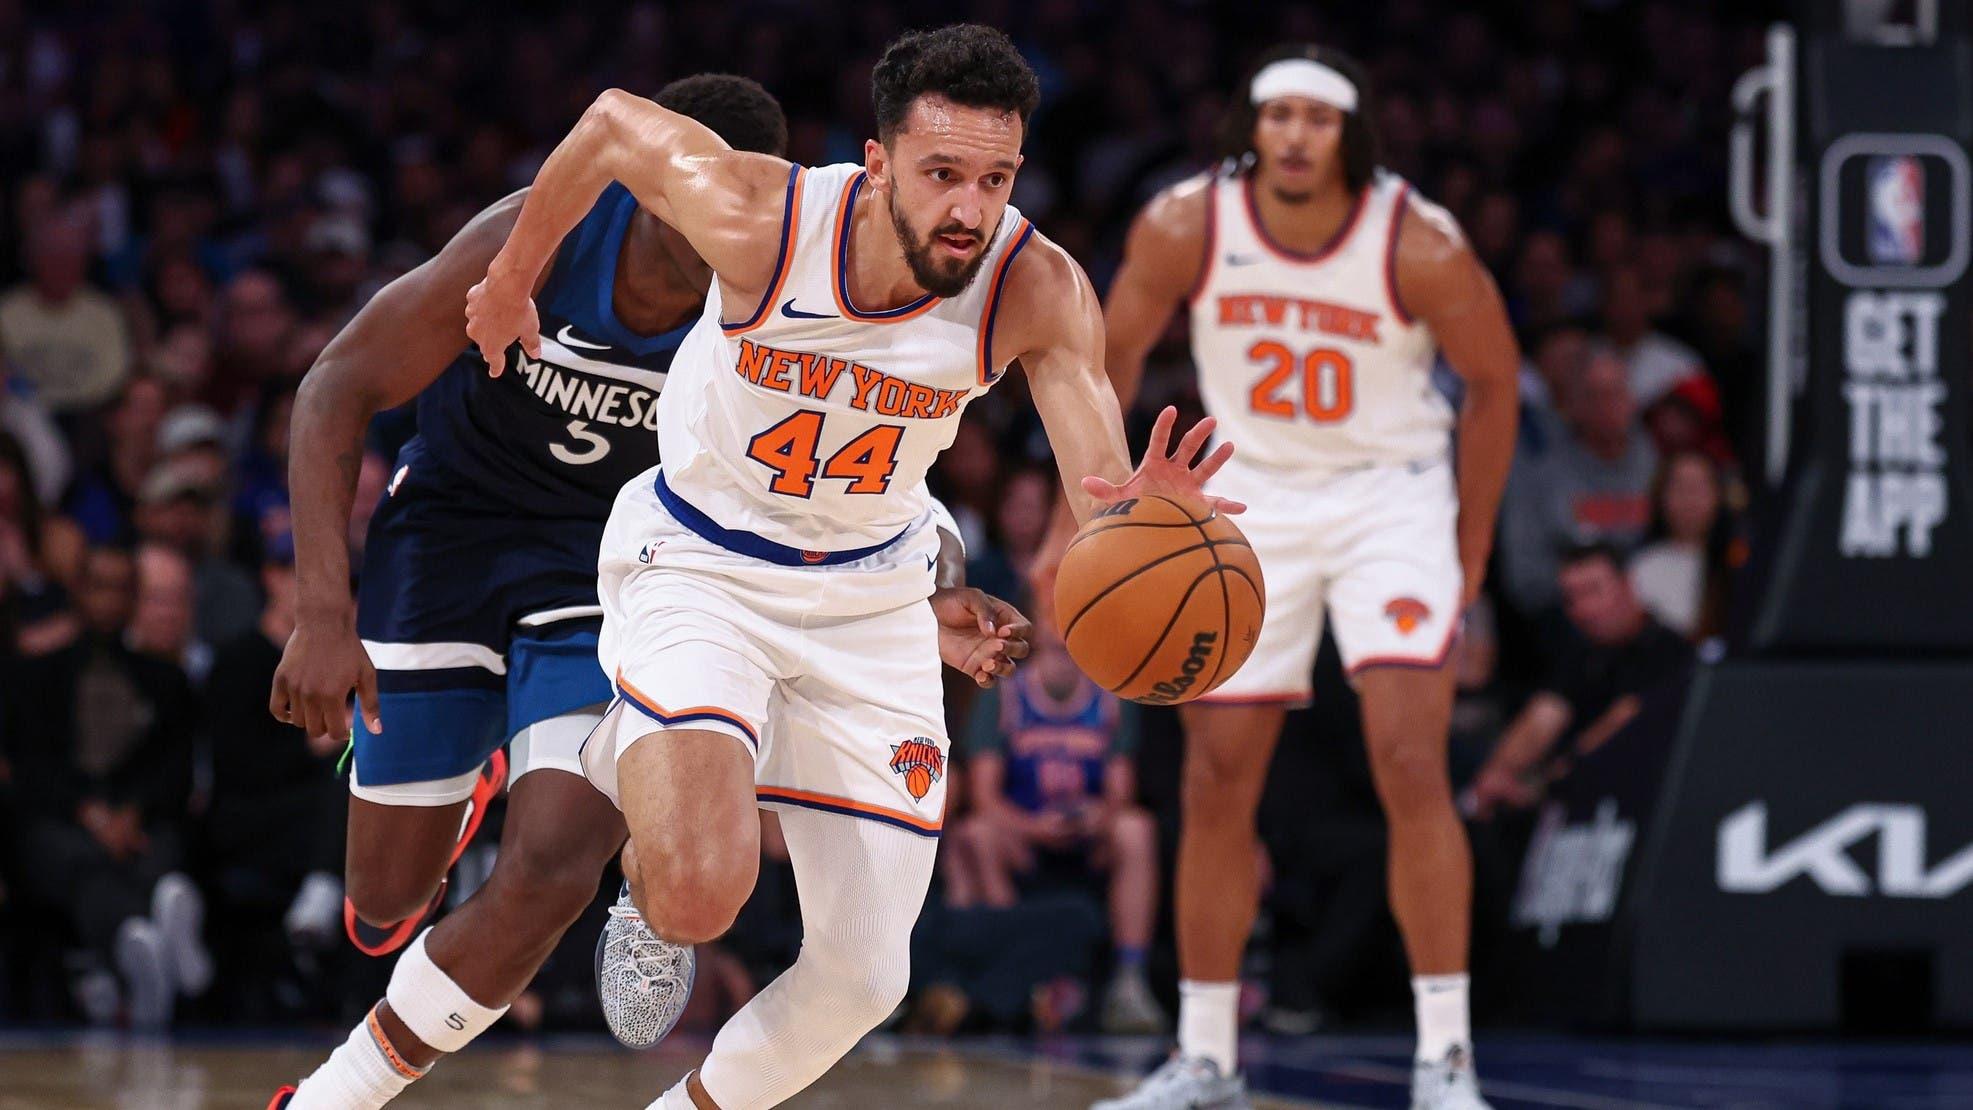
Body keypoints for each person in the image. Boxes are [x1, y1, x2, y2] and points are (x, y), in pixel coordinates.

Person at [463, 24, 1237, 1110]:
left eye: (994, 177)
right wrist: (509, 282)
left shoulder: (1035, 287)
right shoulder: (762, 216)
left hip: (870, 588)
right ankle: (644, 883)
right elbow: (605, 126)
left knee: (867, 977)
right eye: (940, 173)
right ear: (876, 167)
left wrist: (1144, 518)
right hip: (704, 560)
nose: (970, 206)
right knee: (697, 896)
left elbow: (1096, 483)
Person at [264, 76, 807, 1109]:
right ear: (652, 186)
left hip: (614, 569)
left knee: (556, 869)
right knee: (379, 905)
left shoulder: (774, 303)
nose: (731, 232)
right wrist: (323, 617)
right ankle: (472, 781)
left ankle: (338, 1096)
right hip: (452, 539)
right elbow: (337, 385)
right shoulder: (537, 238)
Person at [1092, 44, 1519, 1109]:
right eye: (1274, 115)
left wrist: (1466, 553)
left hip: (1391, 492)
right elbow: (1106, 350)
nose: (1291, 136)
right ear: (1249, 125)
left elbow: (1497, 381)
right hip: (1253, 498)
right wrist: (1106, 504)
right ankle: (1203, 1056)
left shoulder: (1413, 240)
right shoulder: (1185, 222)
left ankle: (1445, 1055)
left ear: (1348, 135)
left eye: (1314, 120)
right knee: (1213, 778)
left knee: (1410, 760)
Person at [1, 545, 208, 1029]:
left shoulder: (168, 680)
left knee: (166, 849)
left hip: (142, 824)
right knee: (73, 859)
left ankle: (140, 942)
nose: (109, 601)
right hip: (64, 824)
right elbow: (31, 769)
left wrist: (131, 813)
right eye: (99, 586)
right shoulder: (34, 676)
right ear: (77, 590)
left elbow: (176, 770)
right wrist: (90, 815)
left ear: (134, 597)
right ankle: (143, 936)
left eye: (121, 589)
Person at [949, 628, 1164, 1034]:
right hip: (1024, 835)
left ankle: (1130, 981)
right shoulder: (1004, 695)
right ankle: (1018, 975)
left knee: (1136, 829)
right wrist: (1034, 827)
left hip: (1087, 838)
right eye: (1054, 647)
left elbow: (1122, 792)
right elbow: (984, 797)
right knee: (976, 835)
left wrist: (1096, 816)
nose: (1062, 656)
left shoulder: (1112, 695)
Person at [1466, 544, 1692, 815]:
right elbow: (1542, 718)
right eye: (1572, 598)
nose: (1584, 609)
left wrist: (1543, 785)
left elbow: (1621, 727)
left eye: (1593, 591)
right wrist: (1495, 774)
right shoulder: (1581, 654)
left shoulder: (1670, 652)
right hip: (1572, 798)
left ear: (1627, 585)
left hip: (1644, 797)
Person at [1499, 347, 1657, 616]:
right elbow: (1524, 575)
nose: (1608, 406)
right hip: (1565, 615)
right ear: (1573, 405)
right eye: (1595, 396)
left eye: (1616, 393)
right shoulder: (1541, 474)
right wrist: (1587, 591)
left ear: (1632, 400)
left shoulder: (1657, 463)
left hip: (1651, 608)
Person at [1627, 450, 1732, 641]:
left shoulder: (1737, 561)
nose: (1690, 500)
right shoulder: (1643, 566)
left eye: (1700, 488)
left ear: (1719, 496)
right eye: (1680, 488)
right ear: (1661, 497)